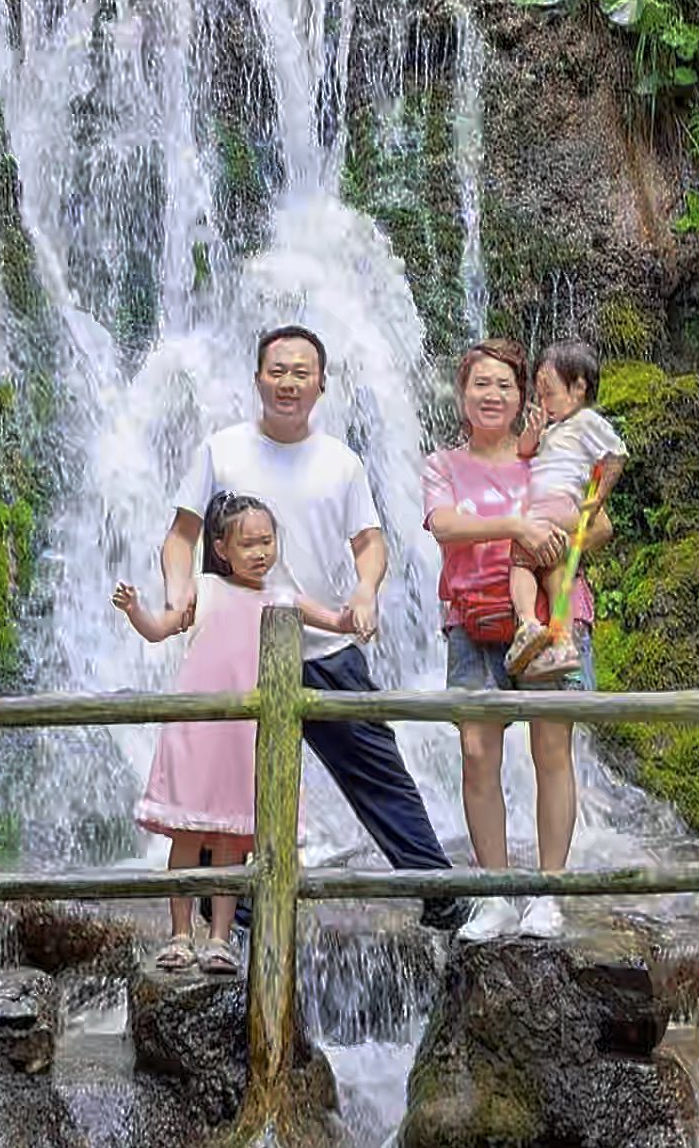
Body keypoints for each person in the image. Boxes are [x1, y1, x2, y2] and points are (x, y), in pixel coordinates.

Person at [162, 324, 470, 932]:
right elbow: (181, 535)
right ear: (257, 379)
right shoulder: (221, 450)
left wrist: (365, 590)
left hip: (325, 643)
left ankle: (436, 886)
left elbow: (371, 543)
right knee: (225, 778)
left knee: (377, 767)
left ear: (322, 384)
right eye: (277, 370)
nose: (288, 382)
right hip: (237, 648)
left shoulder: (341, 461)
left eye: (302, 372)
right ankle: (229, 901)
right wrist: (179, 596)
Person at [423, 338, 615, 942]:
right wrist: (515, 526)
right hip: (474, 624)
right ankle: (496, 892)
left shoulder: (548, 453)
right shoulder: (443, 466)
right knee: (479, 755)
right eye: (481, 383)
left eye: (506, 384)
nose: (493, 394)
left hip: (551, 625)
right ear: (462, 394)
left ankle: (549, 893)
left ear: (525, 395)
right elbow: (445, 527)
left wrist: (559, 541)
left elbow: (599, 523)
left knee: (551, 752)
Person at [116, 492, 352, 974]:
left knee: (229, 840)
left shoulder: (281, 598)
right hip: (198, 731)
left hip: (247, 739)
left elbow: (336, 621)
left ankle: (219, 938)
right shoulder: (203, 588)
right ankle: (181, 934)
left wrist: (358, 615)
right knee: (186, 835)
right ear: (221, 548)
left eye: (268, 541)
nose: (261, 552)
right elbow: (160, 629)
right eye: (249, 543)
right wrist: (137, 611)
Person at [504, 340, 627, 683]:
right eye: (538, 394)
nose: (542, 402)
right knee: (555, 568)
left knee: (520, 557)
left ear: (578, 389)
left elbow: (615, 456)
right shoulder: (553, 430)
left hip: (557, 505)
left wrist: (598, 498)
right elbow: (524, 452)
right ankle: (563, 640)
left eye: (548, 393)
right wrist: (533, 430)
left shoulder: (587, 421)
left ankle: (527, 622)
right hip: (553, 509)